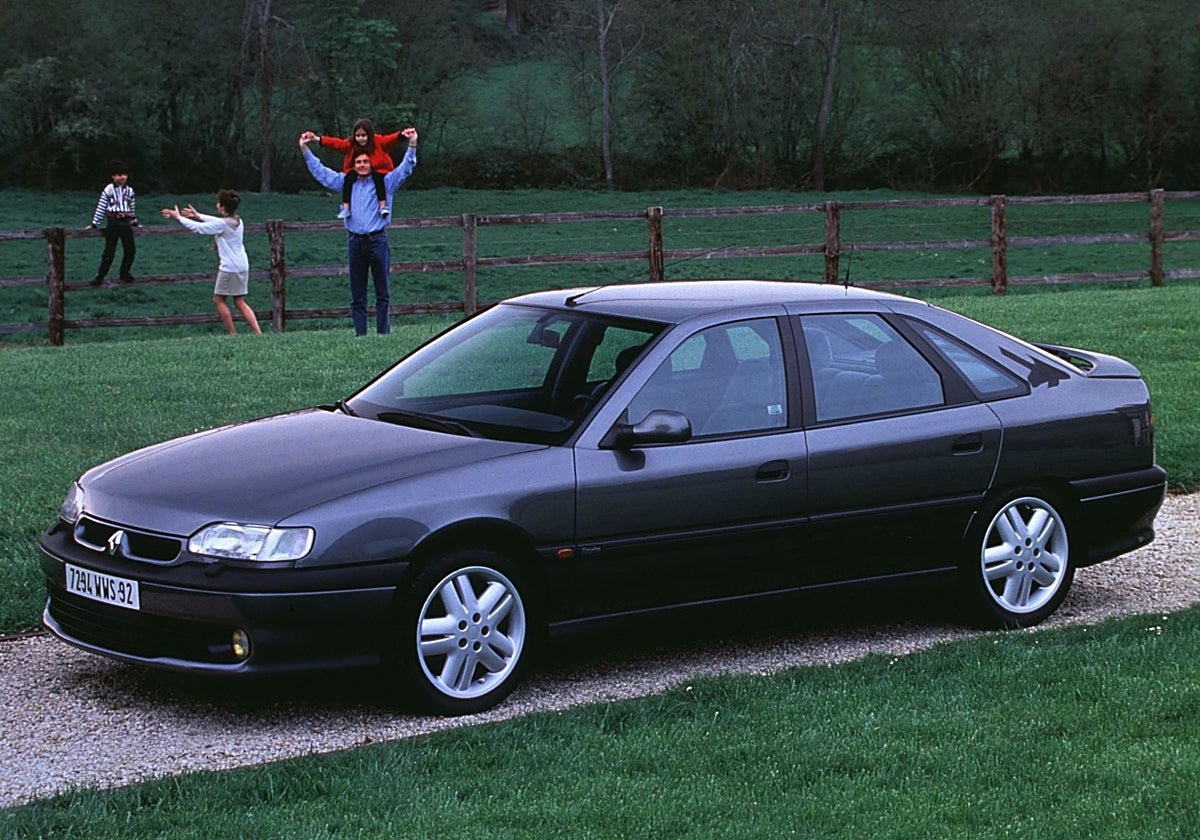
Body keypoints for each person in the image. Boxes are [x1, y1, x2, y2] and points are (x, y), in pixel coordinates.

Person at [299, 127, 418, 336]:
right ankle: (360, 334)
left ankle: (383, 333)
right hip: (355, 242)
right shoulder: (346, 183)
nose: (362, 166)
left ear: (371, 163)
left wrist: (412, 146)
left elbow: (404, 169)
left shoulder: (385, 183)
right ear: (352, 165)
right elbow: (322, 174)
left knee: (383, 292)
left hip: (377, 240)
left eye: (365, 162)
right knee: (357, 294)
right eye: (358, 163)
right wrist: (306, 151)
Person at [160, 190, 262, 335]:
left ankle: (233, 333)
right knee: (239, 301)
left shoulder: (223, 224)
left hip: (229, 267)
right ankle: (258, 332)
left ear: (222, 206)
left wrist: (179, 218)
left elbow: (199, 228)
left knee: (219, 300)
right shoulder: (238, 221)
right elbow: (217, 221)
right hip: (242, 265)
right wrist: (198, 215)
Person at [305, 118, 404, 220]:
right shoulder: (351, 144)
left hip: (379, 170)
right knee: (348, 181)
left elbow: (391, 140)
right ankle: (346, 208)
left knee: (379, 181)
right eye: (357, 136)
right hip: (356, 171)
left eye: (363, 135)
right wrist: (318, 139)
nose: (360, 139)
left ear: (369, 135)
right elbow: (336, 144)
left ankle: (383, 207)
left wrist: (402, 135)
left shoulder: (378, 142)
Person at [86, 160, 138, 285]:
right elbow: (101, 207)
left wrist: (134, 221)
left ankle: (124, 273)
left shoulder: (129, 191)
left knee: (130, 250)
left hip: (125, 222)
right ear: (113, 176)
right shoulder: (109, 189)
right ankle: (100, 276)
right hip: (114, 222)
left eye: (124, 175)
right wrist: (95, 224)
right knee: (109, 251)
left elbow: (131, 208)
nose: (123, 177)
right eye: (119, 175)